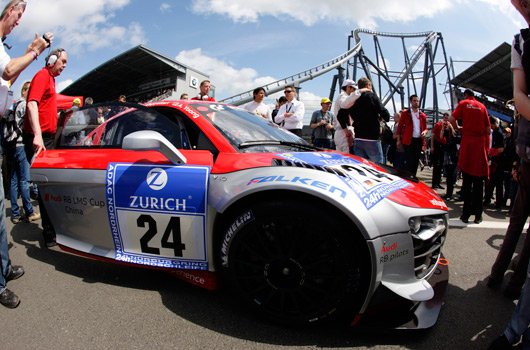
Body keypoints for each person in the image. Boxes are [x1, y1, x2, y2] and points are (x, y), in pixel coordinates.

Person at [0, 0, 53, 308]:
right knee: (22, 183)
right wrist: (34, 51)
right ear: (9, 10)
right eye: (17, 16)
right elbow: (8, 71)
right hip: (25, 141)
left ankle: (3, 267)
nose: (18, 22)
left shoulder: (5, 49)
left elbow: (7, 78)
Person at [23, 47, 67, 248]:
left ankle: (52, 230)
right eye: (63, 61)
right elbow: (31, 104)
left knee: (48, 185)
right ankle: (50, 235)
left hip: (47, 138)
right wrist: (39, 136)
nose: (65, 65)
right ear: (51, 60)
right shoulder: (42, 75)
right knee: (45, 186)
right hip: (39, 138)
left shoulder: (51, 78)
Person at [449, 89, 491, 224]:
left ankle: (465, 215)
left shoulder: (463, 103)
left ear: (466, 95)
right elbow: (488, 130)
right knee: (479, 184)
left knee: (466, 183)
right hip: (478, 146)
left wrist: (459, 128)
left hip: (467, 144)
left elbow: (451, 119)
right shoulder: (482, 106)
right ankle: (478, 215)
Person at [4, 81, 39, 224]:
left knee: (13, 180)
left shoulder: (12, 104)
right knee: (24, 180)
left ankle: (15, 213)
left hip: (11, 145)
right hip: (21, 145)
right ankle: (29, 212)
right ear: (24, 91)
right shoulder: (24, 105)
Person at [347, 77, 390, 163]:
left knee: (361, 166)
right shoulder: (372, 96)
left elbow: (349, 112)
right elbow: (385, 114)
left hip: (358, 137)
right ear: (368, 85)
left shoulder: (354, 98)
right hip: (372, 138)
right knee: (377, 167)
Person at [396, 95, 428, 176]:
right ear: (411, 102)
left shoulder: (422, 115)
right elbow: (399, 127)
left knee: (415, 161)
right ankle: (408, 177)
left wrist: (424, 132)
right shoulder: (405, 113)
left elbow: (426, 128)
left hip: (418, 141)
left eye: (417, 101)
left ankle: (413, 177)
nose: (416, 102)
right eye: (414, 100)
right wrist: (398, 140)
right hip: (408, 141)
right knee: (409, 161)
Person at [332, 79, 363, 154]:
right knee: (347, 156)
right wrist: (359, 92)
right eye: (354, 89)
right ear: (348, 87)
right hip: (344, 132)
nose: (354, 91)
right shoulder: (343, 97)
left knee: (339, 156)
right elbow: (345, 104)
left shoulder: (341, 97)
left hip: (340, 131)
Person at [484, 116, 506, 208]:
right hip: (494, 162)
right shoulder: (495, 133)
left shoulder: (500, 134)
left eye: (492, 125)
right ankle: (488, 198)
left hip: (498, 163)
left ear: (495, 123)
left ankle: (499, 202)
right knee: (491, 182)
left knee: (498, 184)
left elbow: (501, 149)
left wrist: (492, 152)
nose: (491, 126)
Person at [431, 112, 453, 189]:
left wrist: (450, 127)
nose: (446, 120)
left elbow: (452, 135)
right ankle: (434, 183)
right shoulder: (438, 125)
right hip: (438, 145)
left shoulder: (449, 127)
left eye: (447, 119)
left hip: (444, 146)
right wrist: (432, 146)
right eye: (445, 118)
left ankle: (438, 182)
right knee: (436, 164)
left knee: (441, 165)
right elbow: (434, 135)